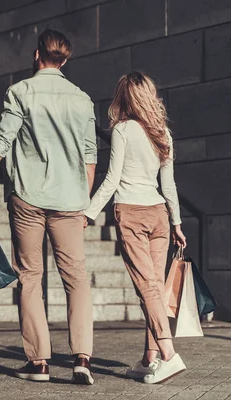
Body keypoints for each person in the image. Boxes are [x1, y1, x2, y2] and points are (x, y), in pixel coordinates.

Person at [0, 29, 97, 385]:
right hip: (70, 201)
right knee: (76, 277)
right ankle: (82, 360)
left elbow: (0, 142)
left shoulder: (21, 92)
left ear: (37, 55)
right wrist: (83, 202)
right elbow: (91, 157)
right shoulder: (82, 100)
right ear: (65, 59)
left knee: (30, 277)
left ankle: (40, 363)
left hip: (28, 199)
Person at [84, 72, 188, 384]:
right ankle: (150, 358)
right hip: (158, 214)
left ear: (124, 97)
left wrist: (88, 212)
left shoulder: (123, 130)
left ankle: (169, 355)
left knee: (147, 287)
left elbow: (112, 178)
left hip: (130, 212)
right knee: (153, 286)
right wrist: (177, 222)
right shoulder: (162, 133)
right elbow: (168, 186)